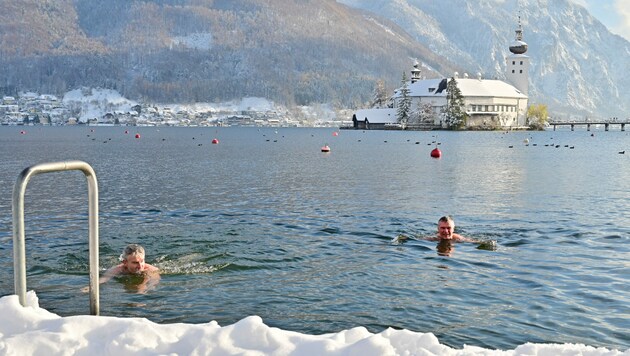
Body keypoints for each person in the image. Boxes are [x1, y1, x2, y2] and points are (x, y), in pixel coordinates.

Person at [94, 244, 160, 294]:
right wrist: (91, 288)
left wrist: (148, 288)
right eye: (135, 262)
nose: (140, 266)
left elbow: (154, 281)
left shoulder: (151, 269)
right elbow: (103, 279)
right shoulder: (118, 269)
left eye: (142, 261)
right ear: (125, 262)